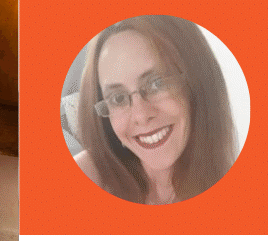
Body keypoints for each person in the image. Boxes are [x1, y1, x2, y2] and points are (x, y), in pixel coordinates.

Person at [72, 15, 238, 204]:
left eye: (157, 83)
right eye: (118, 98)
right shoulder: (89, 174)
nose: (141, 116)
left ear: (197, 84)